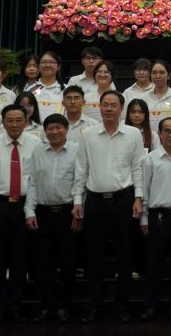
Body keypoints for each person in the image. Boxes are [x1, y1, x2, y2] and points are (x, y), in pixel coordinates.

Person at [71, 90, 144, 323]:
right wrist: (77, 201)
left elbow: (137, 168)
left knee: (125, 255)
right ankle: (95, 305)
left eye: (114, 105)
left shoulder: (133, 134)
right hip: (95, 201)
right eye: (105, 105)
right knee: (94, 257)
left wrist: (139, 197)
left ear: (121, 109)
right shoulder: (87, 134)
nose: (109, 108)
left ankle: (122, 306)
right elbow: (81, 170)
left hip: (124, 199)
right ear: (99, 107)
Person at [0, 104, 40, 322]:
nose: (14, 124)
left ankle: (15, 306)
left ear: (25, 121)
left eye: (18, 120)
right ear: (3, 122)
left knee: (19, 259)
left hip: (24, 205)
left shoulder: (35, 143)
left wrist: (30, 209)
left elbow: (35, 180)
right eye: (9, 120)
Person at [25, 113, 80, 323]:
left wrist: (78, 208)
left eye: (59, 127)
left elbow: (79, 181)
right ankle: (46, 305)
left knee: (68, 262)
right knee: (41, 262)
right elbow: (31, 182)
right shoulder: (38, 151)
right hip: (42, 213)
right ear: (44, 131)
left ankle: (63, 305)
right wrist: (29, 211)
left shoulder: (76, 150)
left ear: (66, 129)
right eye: (50, 128)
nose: (54, 132)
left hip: (68, 213)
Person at [139, 117, 171, 321]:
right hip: (156, 216)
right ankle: (152, 304)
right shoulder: (150, 159)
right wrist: (143, 218)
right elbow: (143, 189)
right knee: (154, 264)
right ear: (159, 134)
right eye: (167, 131)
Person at [143, 59, 171, 125]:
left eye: (162, 72)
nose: (157, 76)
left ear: (169, 75)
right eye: (154, 73)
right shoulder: (144, 98)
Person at [32, 51, 66, 120]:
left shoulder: (66, 89)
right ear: (38, 66)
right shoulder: (30, 89)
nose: (47, 65)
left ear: (58, 66)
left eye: (51, 62)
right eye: (44, 62)